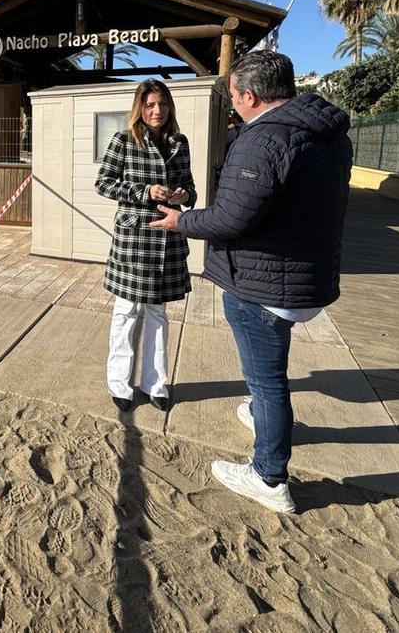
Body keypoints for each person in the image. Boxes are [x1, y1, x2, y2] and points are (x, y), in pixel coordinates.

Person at [151, 51, 351, 512]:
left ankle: (269, 476)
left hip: (264, 284)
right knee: (268, 379)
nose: (233, 106)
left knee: (267, 382)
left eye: (234, 96)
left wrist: (181, 221)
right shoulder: (328, 132)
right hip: (304, 276)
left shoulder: (264, 139)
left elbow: (231, 217)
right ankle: (263, 419)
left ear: (250, 94)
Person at [95, 79, 196, 413]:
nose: (157, 111)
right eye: (151, 105)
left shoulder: (179, 142)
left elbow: (191, 188)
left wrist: (184, 195)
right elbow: (103, 184)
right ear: (139, 107)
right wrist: (144, 192)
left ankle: (156, 383)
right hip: (134, 239)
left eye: (163, 105)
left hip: (168, 238)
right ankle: (119, 383)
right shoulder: (123, 140)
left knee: (158, 313)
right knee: (126, 312)